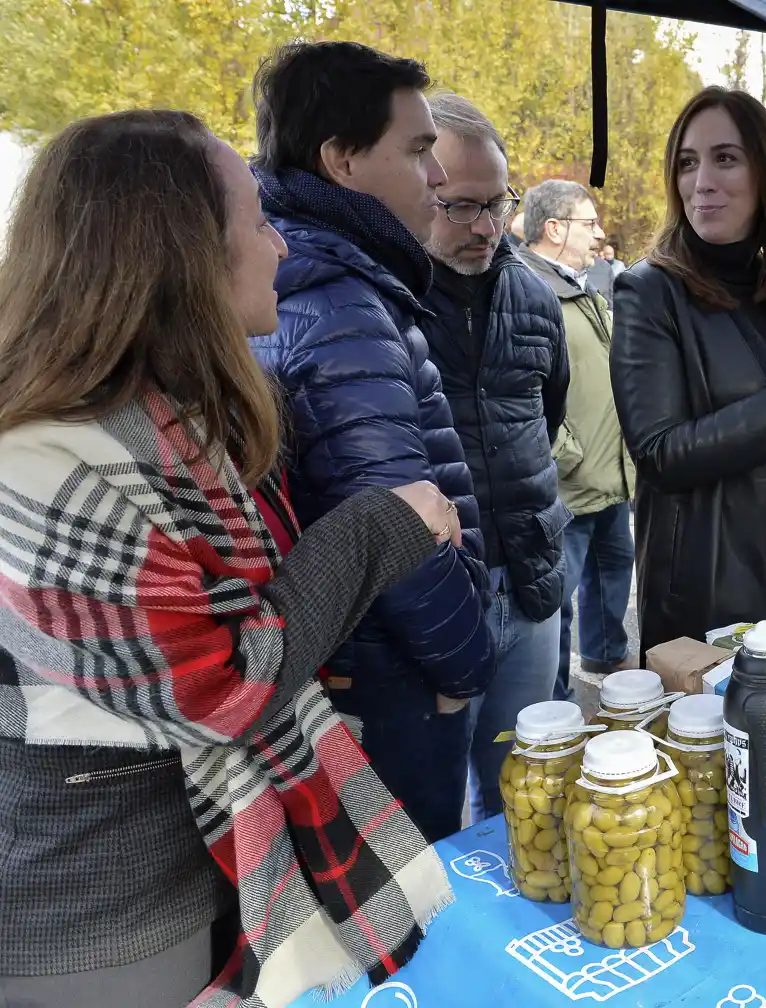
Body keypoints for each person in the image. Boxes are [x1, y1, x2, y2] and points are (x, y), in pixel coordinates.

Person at [0, 109, 458, 1008]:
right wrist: (379, 527)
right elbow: (219, 684)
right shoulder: (47, 460)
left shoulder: (170, 418)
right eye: (256, 221)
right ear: (181, 256)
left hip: (203, 859)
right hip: (104, 910)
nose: (281, 246)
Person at [250, 43, 495, 842]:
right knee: (408, 914)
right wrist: (463, 666)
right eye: (418, 150)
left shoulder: (330, 276)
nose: (435, 177)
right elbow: (388, 522)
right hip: (394, 678)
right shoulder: (337, 301)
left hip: (374, 664)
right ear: (343, 161)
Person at [611, 86, 766, 653]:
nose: (702, 180)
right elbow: (658, 454)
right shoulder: (649, 291)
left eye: (725, 158)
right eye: (687, 162)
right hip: (713, 585)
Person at [417, 94, 571, 821]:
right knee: (433, 811)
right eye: (460, 206)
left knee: (524, 801)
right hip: (438, 600)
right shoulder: (388, 305)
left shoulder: (537, 299)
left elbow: (549, 415)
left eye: (498, 204)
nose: (485, 227)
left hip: (533, 587)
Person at [515, 179, 637, 693]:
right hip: (570, 480)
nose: (600, 234)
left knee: (613, 569)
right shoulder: (528, 290)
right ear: (555, 228)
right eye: (589, 224)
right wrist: (566, 454)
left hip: (608, 474)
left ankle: (607, 660)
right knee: (557, 598)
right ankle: (557, 702)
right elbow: (524, 391)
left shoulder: (579, 284)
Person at [586, 241, 623, 306]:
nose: (610, 256)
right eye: (607, 254)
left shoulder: (619, 265)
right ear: (603, 254)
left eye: (611, 254)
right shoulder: (597, 266)